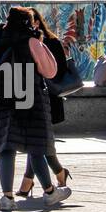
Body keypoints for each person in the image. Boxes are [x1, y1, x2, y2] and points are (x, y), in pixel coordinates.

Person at [0, 6, 70, 212]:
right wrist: (39, 41)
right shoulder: (31, 40)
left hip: (2, 99)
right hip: (30, 98)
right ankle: (50, 193)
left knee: (7, 147)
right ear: (28, 22)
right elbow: (50, 70)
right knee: (36, 146)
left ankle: (7, 197)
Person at [17, 10, 72, 197]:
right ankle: (55, 174)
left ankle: (33, 181)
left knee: (40, 143)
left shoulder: (51, 42)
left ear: (38, 23)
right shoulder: (25, 41)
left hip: (48, 97)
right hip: (34, 97)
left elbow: (59, 70)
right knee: (39, 142)